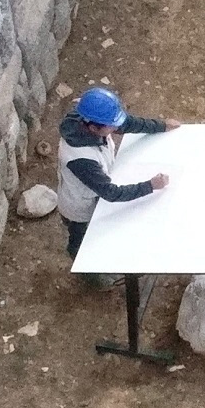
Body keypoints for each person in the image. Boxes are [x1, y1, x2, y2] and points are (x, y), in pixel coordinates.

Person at [54, 87, 179, 287]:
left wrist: (161, 126)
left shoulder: (89, 117)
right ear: (93, 128)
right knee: (82, 239)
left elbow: (126, 123)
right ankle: (86, 270)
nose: (116, 128)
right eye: (111, 126)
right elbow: (111, 193)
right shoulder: (81, 159)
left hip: (95, 194)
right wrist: (150, 185)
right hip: (80, 209)